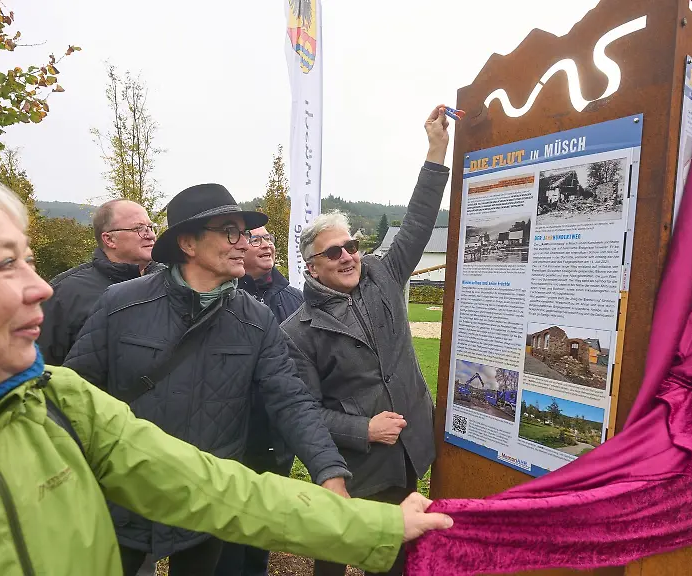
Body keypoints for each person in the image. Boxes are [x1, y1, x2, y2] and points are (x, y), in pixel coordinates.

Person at [0, 157, 453, 576]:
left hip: (205, 521)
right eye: (3, 263)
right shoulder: (120, 309)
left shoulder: (54, 405)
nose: (40, 287)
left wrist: (346, 498)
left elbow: (227, 476)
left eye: (29, 261)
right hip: (125, 514)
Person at [64, 185, 355, 576]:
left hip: (207, 501)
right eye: (230, 232)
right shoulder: (120, 304)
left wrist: (329, 471)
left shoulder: (257, 321)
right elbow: (73, 393)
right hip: (123, 495)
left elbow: (291, 400)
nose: (244, 243)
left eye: (245, 232)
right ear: (188, 243)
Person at [281, 106, 450, 576]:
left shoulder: (383, 276)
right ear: (312, 267)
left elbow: (417, 223)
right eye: (334, 252)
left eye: (352, 246)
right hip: (355, 464)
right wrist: (364, 430)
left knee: (398, 556)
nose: (348, 256)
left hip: (409, 448)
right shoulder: (297, 331)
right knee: (336, 552)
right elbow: (303, 412)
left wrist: (436, 150)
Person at [215, 228, 304, 576]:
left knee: (262, 520)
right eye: (256, 239)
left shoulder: (295, 299)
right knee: (226, 523)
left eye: (269, 239)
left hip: (275, 434)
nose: (266, 244)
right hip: (229, 432)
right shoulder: (222, 296)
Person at [38, 199, 163, 365]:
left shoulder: (168, 282)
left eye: (151, 227)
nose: (151, 235)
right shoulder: (64, 293)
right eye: (139, 228)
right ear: (109, 239)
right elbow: (42, 366)